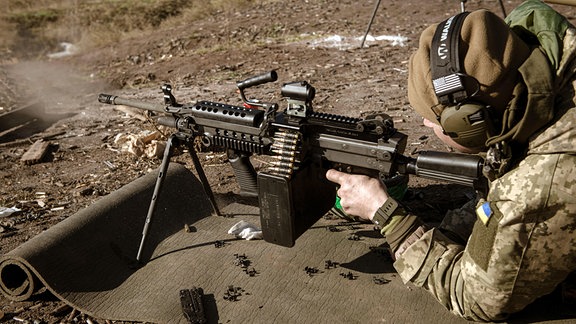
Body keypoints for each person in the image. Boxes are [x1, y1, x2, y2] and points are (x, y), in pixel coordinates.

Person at [326, 0, 576, 321]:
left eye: (433, 121)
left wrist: (388, 216)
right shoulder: (548, 57)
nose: (427, 126)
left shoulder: (548, 176)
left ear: (470, 124)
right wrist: (456, 228)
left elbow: (475, 297)